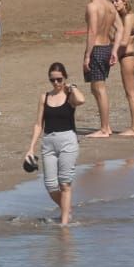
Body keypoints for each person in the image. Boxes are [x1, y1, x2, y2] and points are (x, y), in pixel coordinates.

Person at [25, 61, 84, 224]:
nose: (56, 83)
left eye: (59, 79)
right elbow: (38, 124)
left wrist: (72, 87)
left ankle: (64, 224)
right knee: (51, 186)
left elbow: (81, 100)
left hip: (68, 141)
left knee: (65, 183)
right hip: (48, 142)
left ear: (65, 78)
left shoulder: (70, 95)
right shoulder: (44, 97)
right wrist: (31, 148)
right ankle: (67, 209)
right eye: (53, 80)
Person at [83, 0, 121, 137]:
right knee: (95, 87)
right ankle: (105, 126)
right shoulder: (110, 6)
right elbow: (120, 28)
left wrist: (87, 56)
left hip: (97, 48)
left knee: (99, 88)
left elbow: (92, 32)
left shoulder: (93, 7)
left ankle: (105, 128)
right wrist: (114, 50)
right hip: (106, 47)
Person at [111, 0, 134, 137]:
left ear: (124, 1)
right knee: (131, 94)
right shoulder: (125, 17)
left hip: (128, 57)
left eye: (117, 1)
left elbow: (123, 41)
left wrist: (112, 43)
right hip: (129, 57)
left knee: (131, 95)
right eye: (113, 2)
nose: (114, 4)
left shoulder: (129, 17)